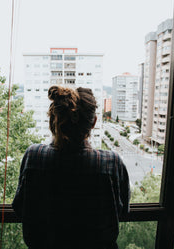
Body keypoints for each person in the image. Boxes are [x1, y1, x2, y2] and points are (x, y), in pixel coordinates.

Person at [12, 85, 130, 249]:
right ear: (93, 122)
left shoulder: (34, 156)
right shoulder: (111, 162)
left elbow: (19, 207)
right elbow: (122, 212)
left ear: (53, 119)